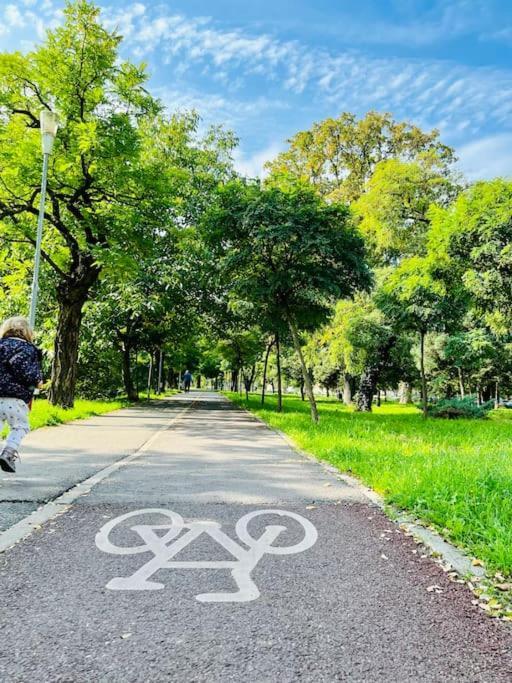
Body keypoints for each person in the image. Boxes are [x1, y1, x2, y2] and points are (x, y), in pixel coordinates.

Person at [0, 316, 43, 474]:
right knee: (20, 426)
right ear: (27, 332)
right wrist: (38, 381)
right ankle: (8, 453)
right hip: (15, 398)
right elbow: (27, 371)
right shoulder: (28, 349)